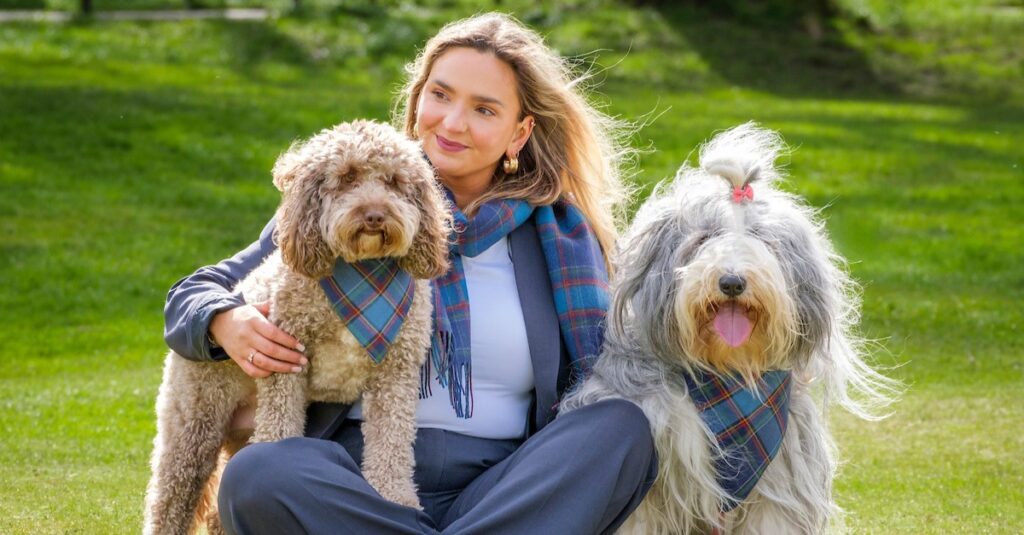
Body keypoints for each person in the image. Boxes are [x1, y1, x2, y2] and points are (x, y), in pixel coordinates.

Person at [163, 12, 656, 534]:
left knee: (620, 428)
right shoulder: (340, 209)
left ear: (520, 133)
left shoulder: (561, 237)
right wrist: (224, 322)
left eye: (484, 109)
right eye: (440, 95)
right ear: (419, 98)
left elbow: (630, 363)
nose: (452, 122)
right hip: (349, 483)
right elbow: (190, 296)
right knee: (261, 471)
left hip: (506, 485)